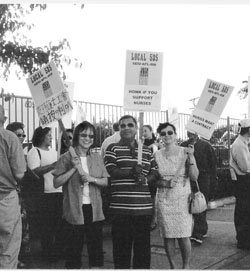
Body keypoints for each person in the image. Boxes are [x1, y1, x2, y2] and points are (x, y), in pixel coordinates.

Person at [104, 115, 158, 269]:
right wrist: (132, 172)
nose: (126, 128)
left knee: (143, 253)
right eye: (122, 126)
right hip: (121, 210)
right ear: (119, 129)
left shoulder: (146, 150)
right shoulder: (112, 148)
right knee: (121, 253)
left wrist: (146, 179)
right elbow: (111, 170)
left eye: (130, 125)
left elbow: (155, 172)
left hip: (143, 210)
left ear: (136, 128)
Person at [53, 121, 109, 269]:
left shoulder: (96, 157)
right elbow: (56, 182)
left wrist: (92, 179)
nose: (87, 138)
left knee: (95, 249)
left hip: (94, 210)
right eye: (83, 135)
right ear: (77, 135)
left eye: (91, 135)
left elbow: (105, 181)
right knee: (73, 250)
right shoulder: (65, 157)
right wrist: (73, 168)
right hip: (74, 210)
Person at [154, 122, 199, 269]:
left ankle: (185, 266)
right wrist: (164, 183)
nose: (167, 135)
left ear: (175, 134)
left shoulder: (185, 152)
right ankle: (173, 266)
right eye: (163, 133)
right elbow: (152, 179)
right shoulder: (156, 155)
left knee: (184, 234)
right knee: (168, 235)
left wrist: (191, 157)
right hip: (163, 197)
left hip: (182, 197)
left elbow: (194, 177)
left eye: (170, 132)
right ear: (159, 136)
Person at [27, 126, 63, 262]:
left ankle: (58, 252)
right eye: (48, 135)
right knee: (47, 227)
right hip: (45, 194)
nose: (51, 137)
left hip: (59, 192)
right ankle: (47, 254)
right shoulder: (34, 152)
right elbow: (34, 172)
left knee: (59, 226)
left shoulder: (55, 152)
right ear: (41, 136)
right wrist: (52, 166)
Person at [0, 106, 26, 269]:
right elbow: (19, 174)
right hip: (5, 199)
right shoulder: (9, 138)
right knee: (8, 248)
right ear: (4, 118)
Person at [181, 131, 217, 245]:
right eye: (189, 131)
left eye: (193, 131)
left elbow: (213, 163)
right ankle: (199, 228)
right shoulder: (183, 145)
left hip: (203, 178)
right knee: (190, 204)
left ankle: (198, 232)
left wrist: (213, 179)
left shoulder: (206, 145)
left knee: (200, 203)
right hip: (188, 178)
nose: (190, 133)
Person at [6, 122, 30, 268]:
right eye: (18, 134)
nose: (21, 137)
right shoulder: (7, 151)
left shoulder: (22, 151)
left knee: (22, 227)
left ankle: (18, 258)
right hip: (9, 193)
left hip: (20, 194)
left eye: (23, 135)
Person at [230, 119, 250, 249]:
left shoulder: (244, 143)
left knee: (246, 211)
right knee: (243, 211)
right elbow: (245, 167)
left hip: (244, 180)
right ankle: (243, 240)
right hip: (243, 180)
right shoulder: (239, 145)